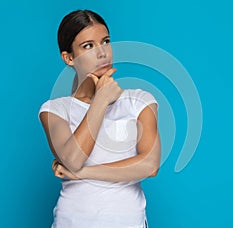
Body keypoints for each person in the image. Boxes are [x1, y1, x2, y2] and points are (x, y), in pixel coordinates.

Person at [38, 9, 161, 228]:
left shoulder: (140, 101)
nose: (102, 53)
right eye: (88, 46)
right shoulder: (55, 110)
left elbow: (150, 165)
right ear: (68, 58)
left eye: (105, 42)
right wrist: (100, 101)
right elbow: (73, 159)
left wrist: (84, 172)